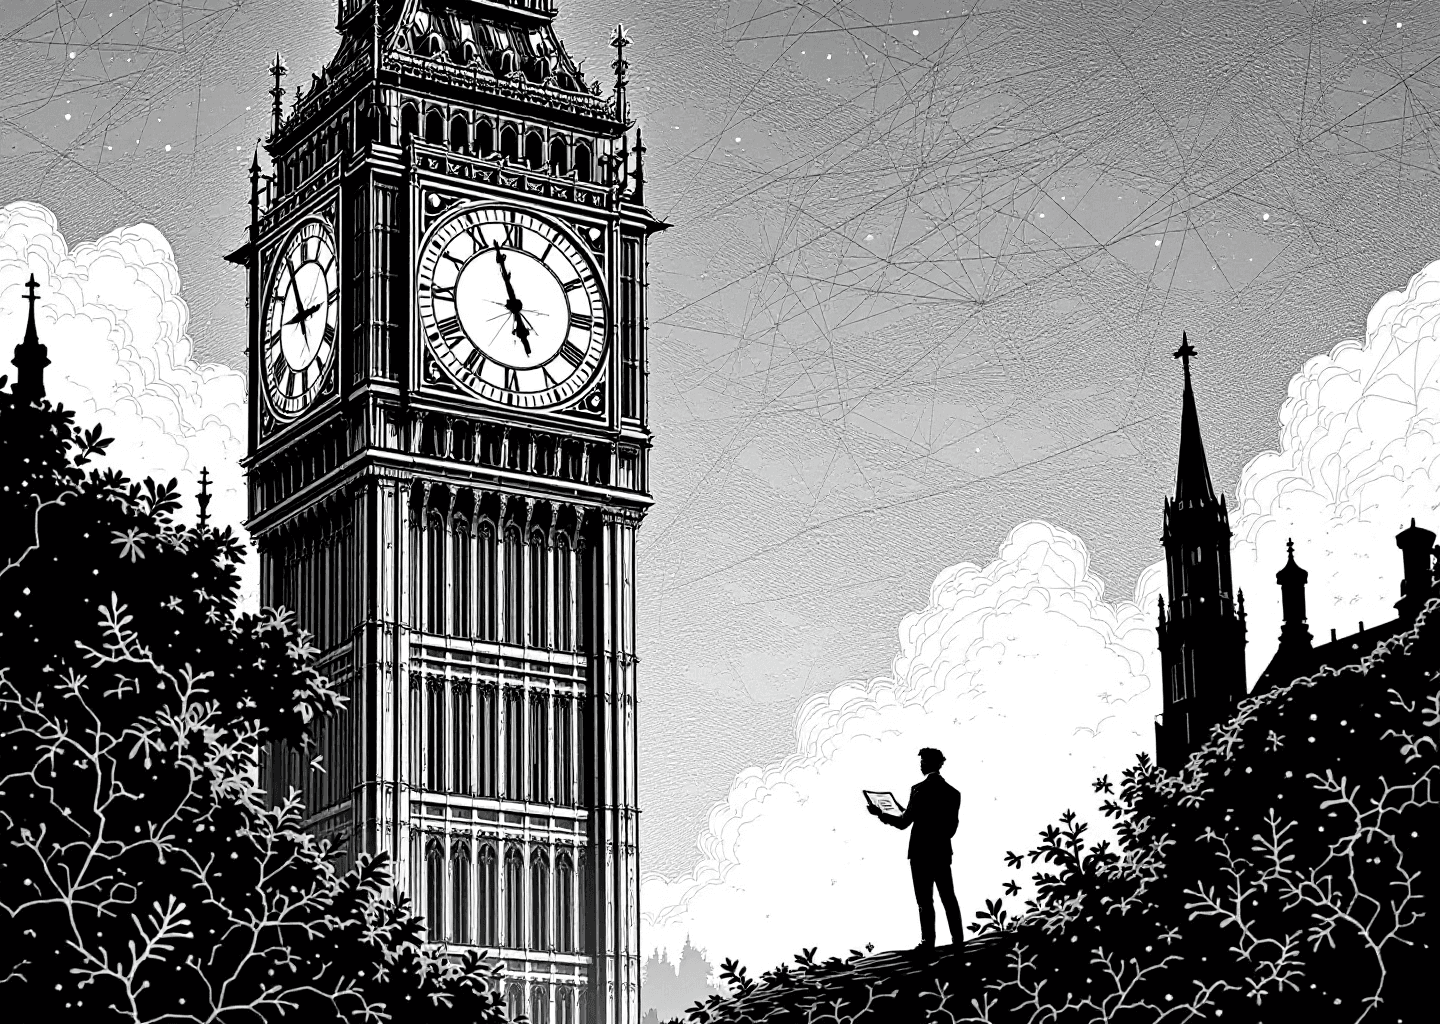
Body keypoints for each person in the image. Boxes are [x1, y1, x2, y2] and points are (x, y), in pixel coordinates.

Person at [868, 747, 963, 950]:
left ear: (931, 764)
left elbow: (904, 822)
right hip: (942, 851)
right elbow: (951, 829)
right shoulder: (953, 793)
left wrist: (880, 814)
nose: (921, 765)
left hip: (920, 852)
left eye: (923, 762)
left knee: (924, 901)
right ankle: (958, 941)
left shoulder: (918, 790)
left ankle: (928, 942)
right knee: (949, 897)